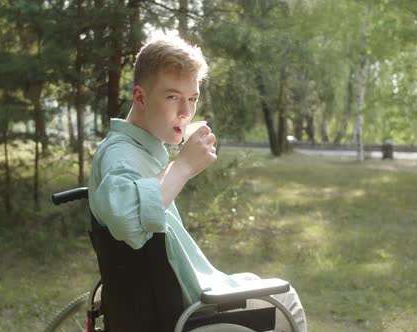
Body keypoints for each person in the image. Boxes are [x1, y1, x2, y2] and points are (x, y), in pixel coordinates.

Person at [88, 35, 307, 332]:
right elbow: (127, 219)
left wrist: (180, 164)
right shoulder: (121, 156)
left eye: (191, 99)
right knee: (286, 301)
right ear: (140, 97)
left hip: (174, 299)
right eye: (172, 97)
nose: (185, 112)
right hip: (184, 311)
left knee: (256, 283)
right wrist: (184, 166)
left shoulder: (140, 150)